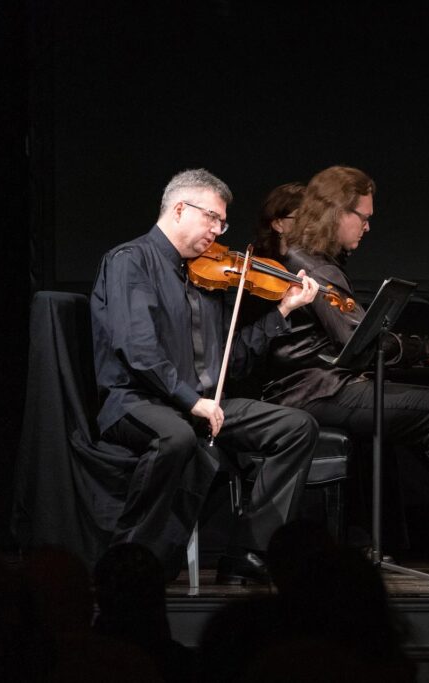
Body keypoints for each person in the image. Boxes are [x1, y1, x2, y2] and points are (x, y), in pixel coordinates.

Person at [253, 166, 429, 569]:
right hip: (313, 391)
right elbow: (362, 342)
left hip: (321, 384)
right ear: (337, 214)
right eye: (362, 217)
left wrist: (426, 352)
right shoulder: (314, 269)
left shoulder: (312, 261)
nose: (366, 227)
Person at [90, 168, 321, 584]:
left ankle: (248, 551)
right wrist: (191, 401)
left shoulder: (206, 276)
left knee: (296, 427)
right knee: (175, 436)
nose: (218, 229)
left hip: (199, 403)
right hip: (138, 402)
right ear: (179, 209)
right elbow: (138, 352)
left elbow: (228, 363)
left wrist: (283, 310)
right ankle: (131, 564)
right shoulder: (130, 261)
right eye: (212, 218)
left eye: (222, 221)